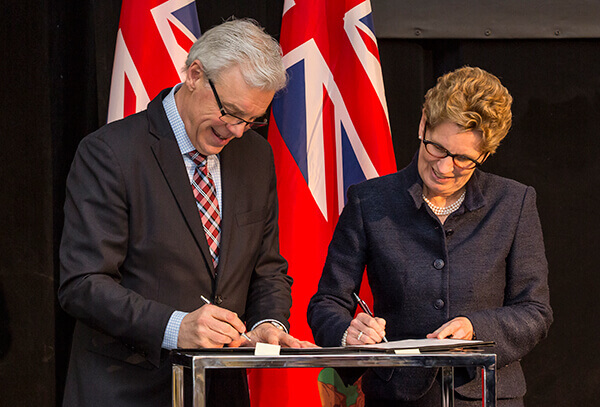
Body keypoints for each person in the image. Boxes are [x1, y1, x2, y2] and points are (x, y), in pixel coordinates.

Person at [59, 18, 313, 407]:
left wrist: (268, 324)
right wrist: (175, 327)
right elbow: (83, 284)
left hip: (220, 391)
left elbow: (267, 267)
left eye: (252, 119)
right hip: (126, 390)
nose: (238, 131)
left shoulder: (257, 156)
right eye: (230, 111)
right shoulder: (110, 153)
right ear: (195, 74)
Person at [307, 66, 552, 406]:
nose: (445, 167)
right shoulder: (369, 201)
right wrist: (348, 330)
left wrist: (476, 328)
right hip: (396, 395)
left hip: (487, 395)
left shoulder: (514, 202)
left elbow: (535, 311)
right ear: (423, 124)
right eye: (436, 148)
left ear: (484, 154)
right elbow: (327, 302)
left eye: (464, 159)